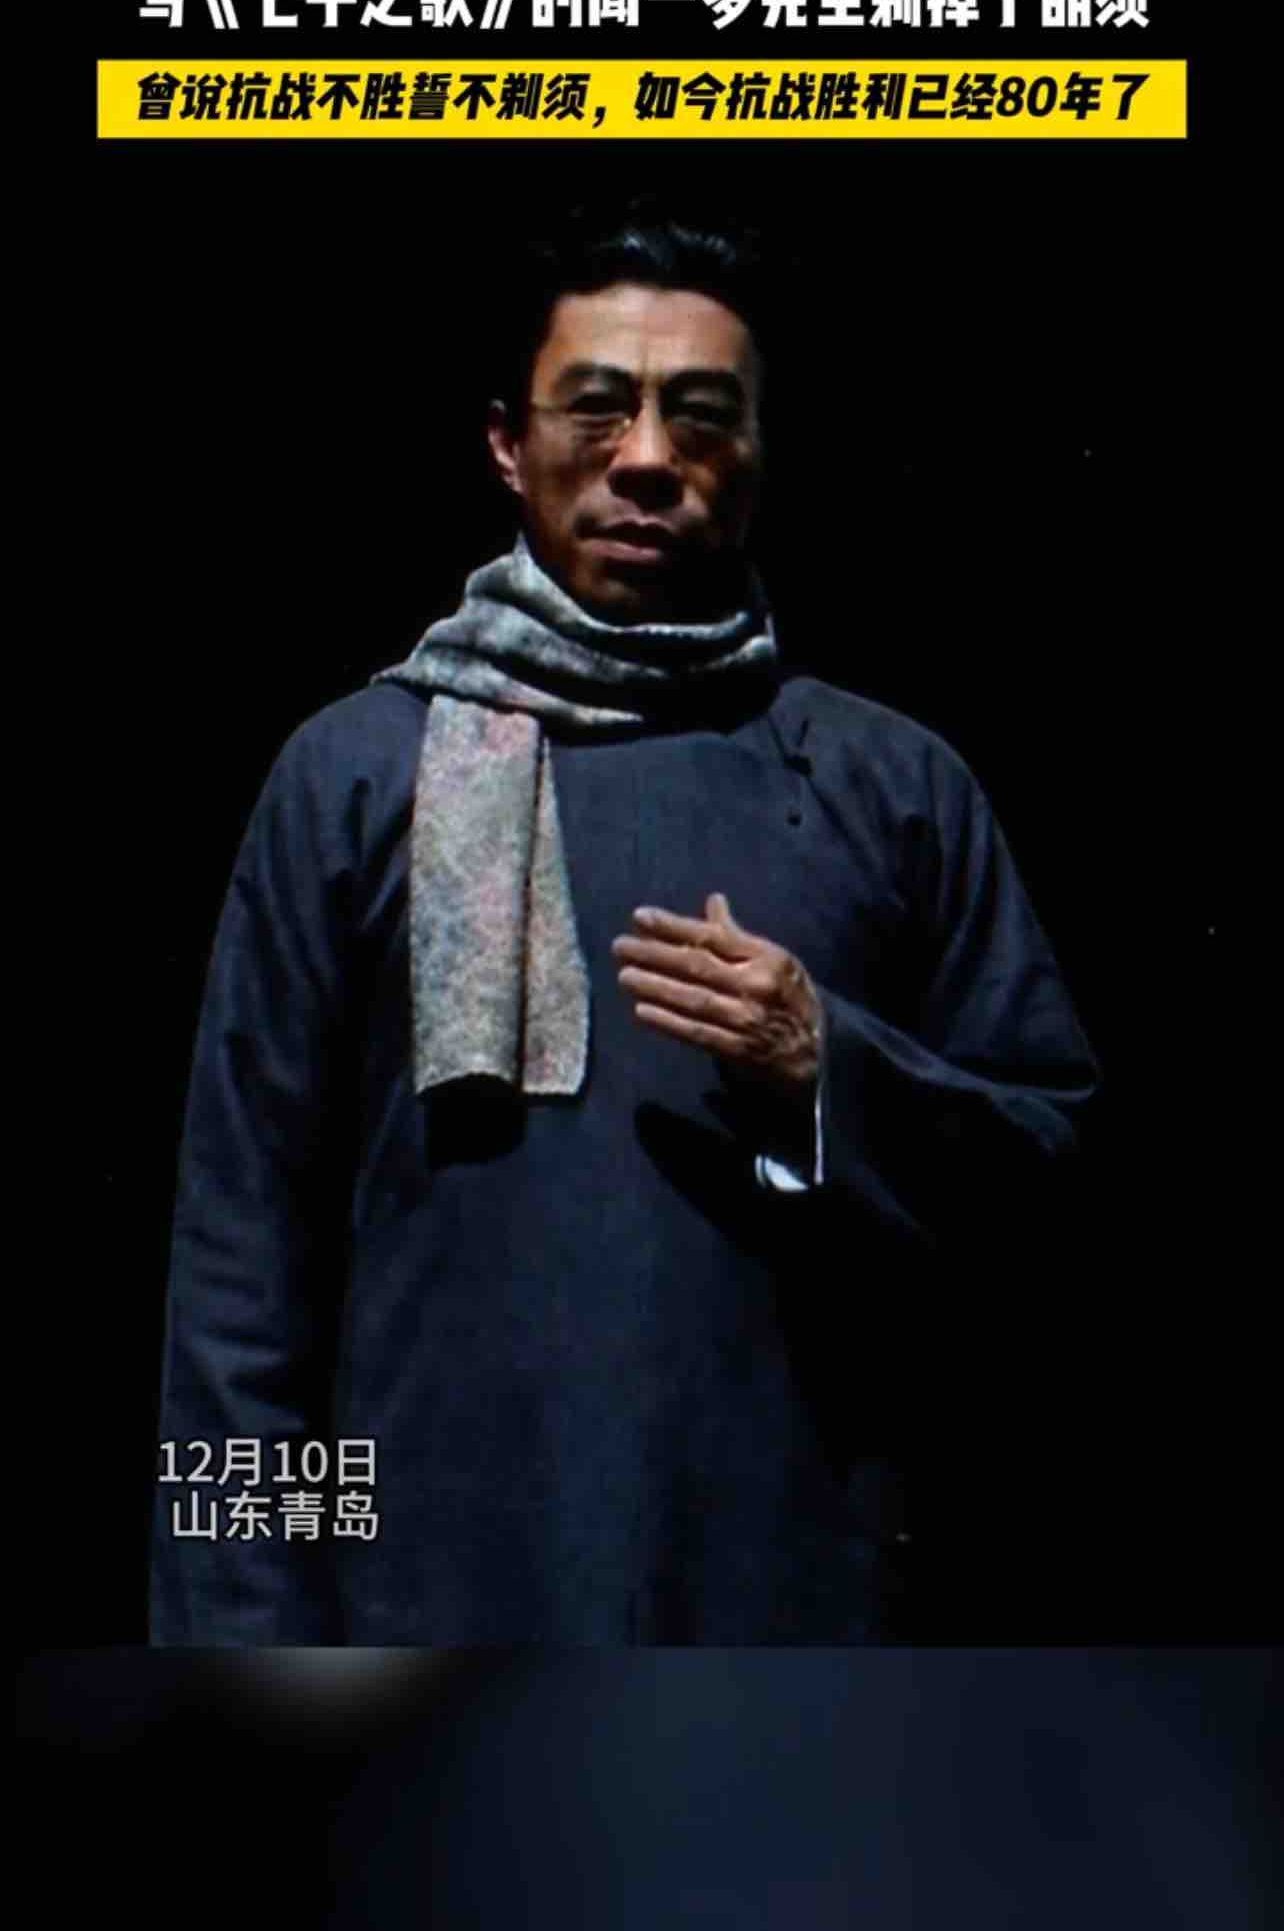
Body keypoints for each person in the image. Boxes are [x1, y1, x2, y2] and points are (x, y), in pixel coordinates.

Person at [150, 197, 1100, 1645]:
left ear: (760, 448)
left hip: (798, 1613)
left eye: (701, 415)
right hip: (422, 1612)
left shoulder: (890, 785)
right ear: (505, 442)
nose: (648, 458)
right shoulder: (354, 775)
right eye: (597, 408)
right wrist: (245, 1646)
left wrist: (827, 1070)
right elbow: (240, 1283)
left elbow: (1055, 1191)